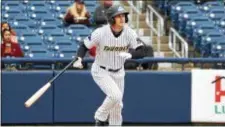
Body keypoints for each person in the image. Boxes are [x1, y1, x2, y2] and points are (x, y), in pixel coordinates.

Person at [73, 5, 146, 126]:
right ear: (111, 19)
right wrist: (79, 58)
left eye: (123, 16)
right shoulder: (100, 32)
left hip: (119, 72)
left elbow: (142, 51)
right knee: (115, 96)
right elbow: (84, 46)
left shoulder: (129, 32)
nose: (122, 18)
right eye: (118, 16)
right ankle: (100, 117)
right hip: (101, 70)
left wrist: (130, 54)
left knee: (117, 106)